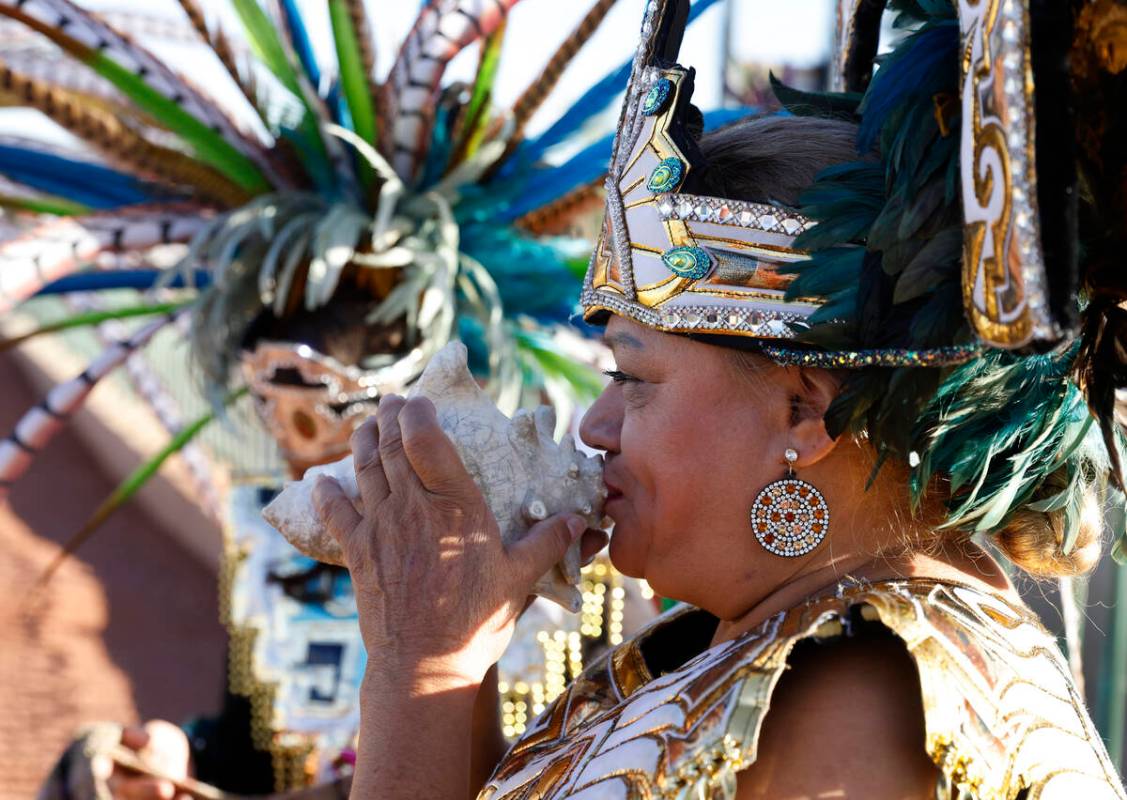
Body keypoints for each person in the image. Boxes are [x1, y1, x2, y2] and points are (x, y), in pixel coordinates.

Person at [308, 0, 1127, 797]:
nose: (595, 426)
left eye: (631, 379)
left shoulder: (858, 700)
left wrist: (423, 664)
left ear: (803, 411)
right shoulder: (746, 646)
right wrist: (451, 658)